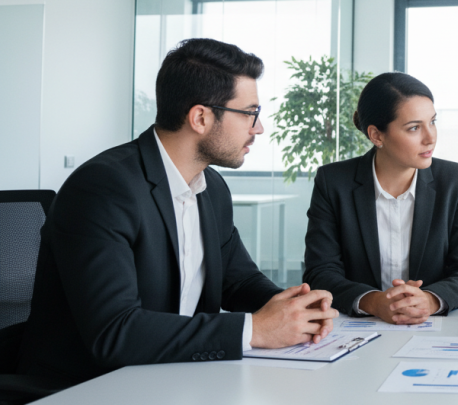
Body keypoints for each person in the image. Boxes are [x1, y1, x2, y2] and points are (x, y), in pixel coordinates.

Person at [18, 38, 339, 386]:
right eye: (250, 113)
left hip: (176, 374)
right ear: (200, 117)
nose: (258, 128)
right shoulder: (103, 188)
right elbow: (115, 331)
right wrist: (256, 329)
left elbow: (239, 281)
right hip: (90, 386)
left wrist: (293, 307)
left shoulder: (211, 187)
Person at [303, 72, 458, 324]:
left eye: (432, 122)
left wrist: (430, 300)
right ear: (377, 135)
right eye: (414, 128)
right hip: (361, 326)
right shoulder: (333, 182)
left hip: (434, 326)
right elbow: (320, 272)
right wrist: (373, 302)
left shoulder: (455, 181)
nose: (430, 137)